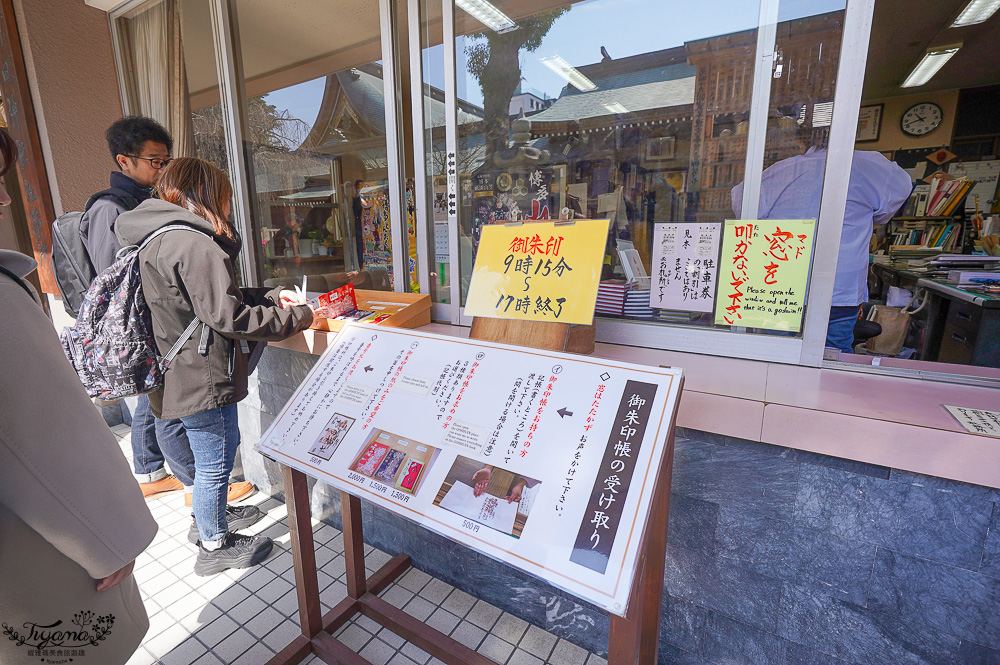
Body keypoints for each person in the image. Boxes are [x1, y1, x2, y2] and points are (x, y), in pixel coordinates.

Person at [0, 127, 157, 665]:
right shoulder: (1, 295)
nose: (4, 197)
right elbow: (42, 436)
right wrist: (115, 539)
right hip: (34, 548)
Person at [115, 157, 315, 575]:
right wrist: (301, 317)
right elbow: (229, 317)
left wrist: (268, 295)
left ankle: (208, 520)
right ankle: (214, 545)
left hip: (177, 368)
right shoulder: (193, 242)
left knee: (208, 460)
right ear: (206, 194)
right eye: (223, 197)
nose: (227, 206)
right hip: (201, 373)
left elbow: (207, 298)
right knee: (214, 462)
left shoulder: (157, 236)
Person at [80, 115, 254, 505]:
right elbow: (130, 285)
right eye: (155, 161)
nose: (163, 168)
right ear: (125, 161)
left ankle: (178, 484)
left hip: (170, 334)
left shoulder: (150, 205)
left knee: (164, 410)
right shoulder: (111, 209)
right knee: (165, 413)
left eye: (165, 160)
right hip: (156, 335)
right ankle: (193, 491)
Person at [731, 129, 911, 351]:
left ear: (801, 141)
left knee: (776, 352)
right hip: (841, 283)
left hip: (780, 283)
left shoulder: (784, 169)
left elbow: (744, 209)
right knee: (834, 353)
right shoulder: (873, 165)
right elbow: (893, 202)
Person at [352, 179, 372, 269]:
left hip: (367, 227)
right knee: (361, 252)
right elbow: (356, 213)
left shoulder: (366, 199)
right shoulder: (357, 199)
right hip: (360, 228)